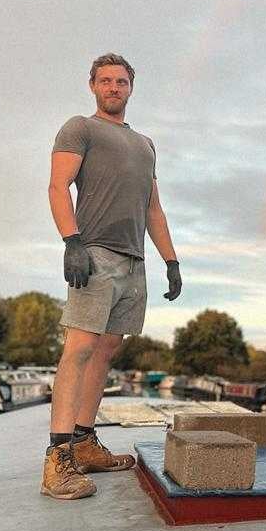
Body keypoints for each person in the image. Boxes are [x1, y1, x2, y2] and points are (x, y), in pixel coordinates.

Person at [41, 53, 182, 500]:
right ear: (93, 86)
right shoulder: (80, 129)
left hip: (133, 261)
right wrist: (71, 241)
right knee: (79, 347)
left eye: (121, 82)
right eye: (106, 81)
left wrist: (171, 260)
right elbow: (57, 185)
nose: (114, 88)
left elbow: (152, 208)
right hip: (95, 253)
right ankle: (57, 460)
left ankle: (84, 443)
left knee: (106, 351)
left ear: (131, 87)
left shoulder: (145, 145)